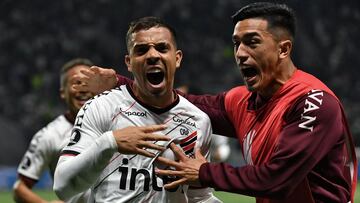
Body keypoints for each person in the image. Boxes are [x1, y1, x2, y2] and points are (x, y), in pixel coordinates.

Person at [75, 2, 357, 203]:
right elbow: (181, 102)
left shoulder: (312, 102)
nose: (240, 53)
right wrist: (122, 83)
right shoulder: (244, 101)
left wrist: (205, 173)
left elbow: (278, 179)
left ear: (283, 49)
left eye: (252, 42)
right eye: (236, 43)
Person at [53, 16, 220, 203]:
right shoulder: (102, 107)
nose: (152, 55)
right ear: (129, 62)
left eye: (162, 48)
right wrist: (110, 142)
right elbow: (62, 187)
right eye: (141, 50)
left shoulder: (198, 121)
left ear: (177, 58)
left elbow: (198, 197)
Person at [13, 58, 96, 203]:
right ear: (63, 92)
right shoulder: (49, 135)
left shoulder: (116, 121)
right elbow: (20, 188)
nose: (83, 89)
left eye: (88, 82)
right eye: (76, 83)